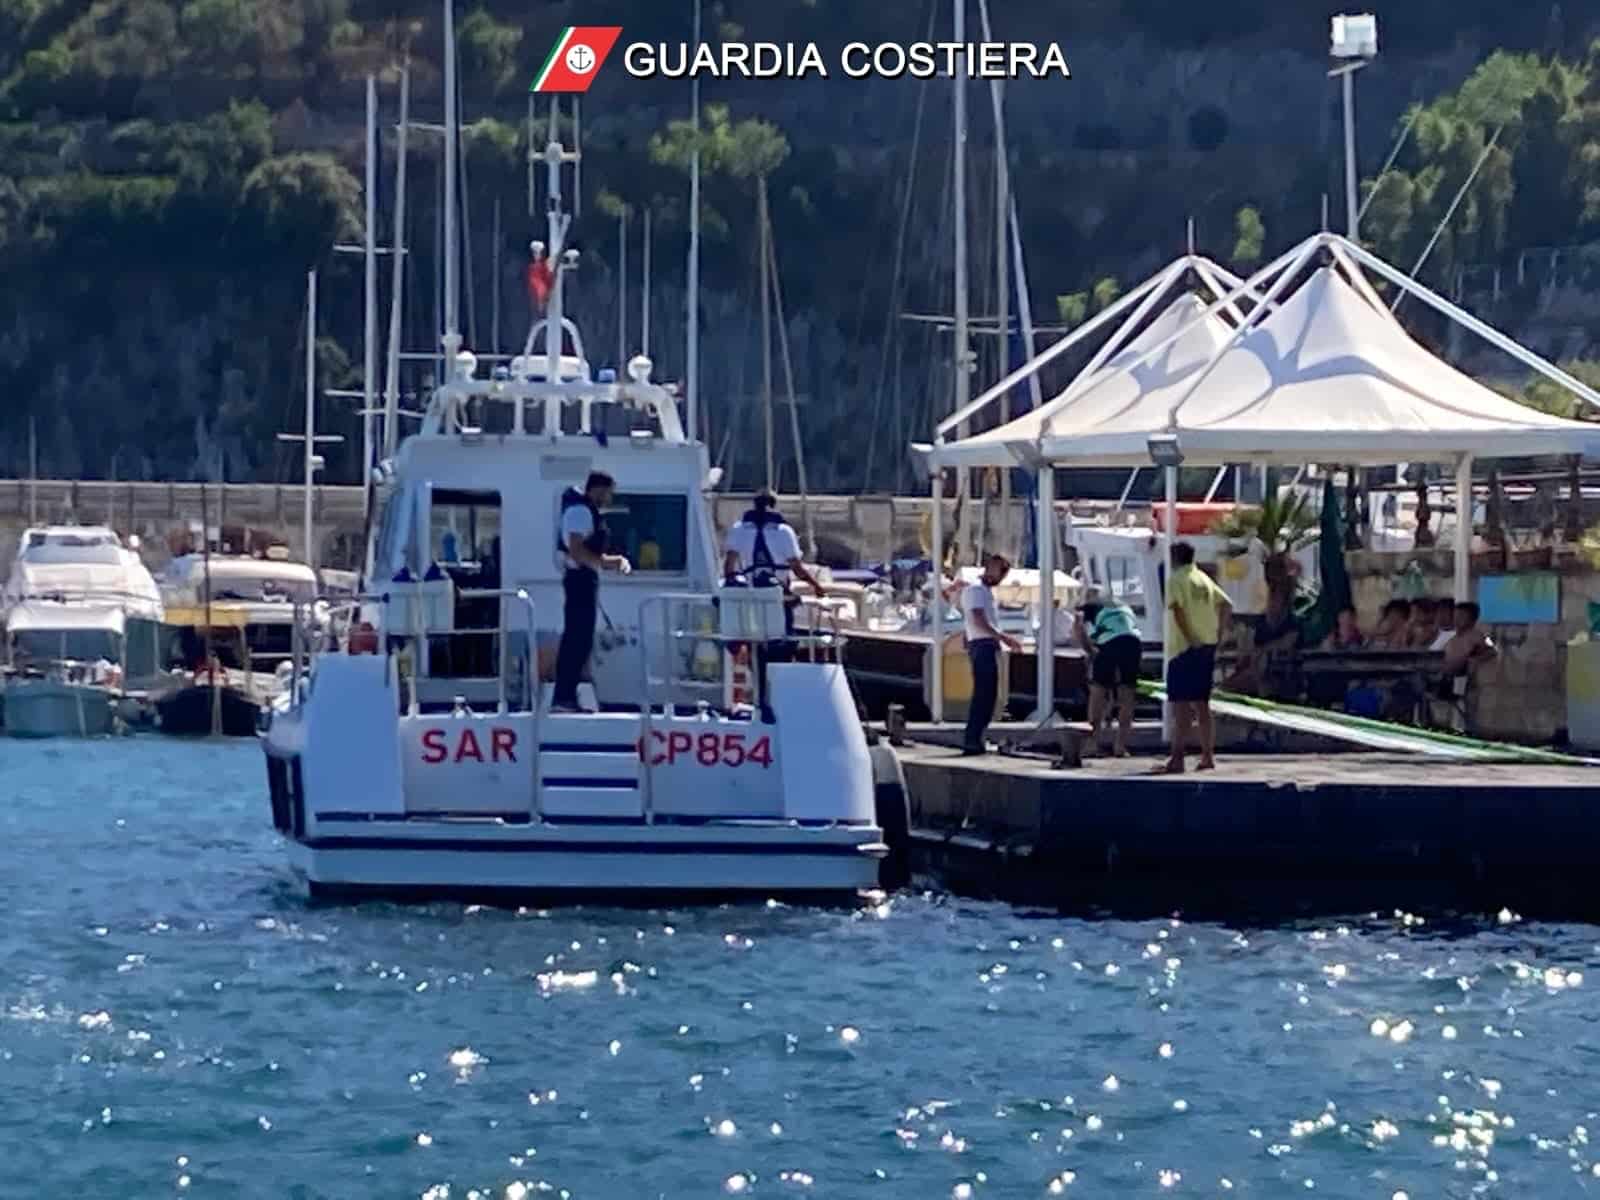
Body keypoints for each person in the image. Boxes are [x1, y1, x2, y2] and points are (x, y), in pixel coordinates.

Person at [552, 471, 631, 713]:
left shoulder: (586, 512)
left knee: (583, 639)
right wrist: (605, 563)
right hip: (579, 580)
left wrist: (612, 561)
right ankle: (562, 698)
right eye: (608, 493)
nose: (609, 498)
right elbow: (576, 551)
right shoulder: (580, 512)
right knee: (576, 638)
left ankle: (569, 696)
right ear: (597, 489)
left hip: (584, 579)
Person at [1164, 541, 1231, 774]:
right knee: (1202, 704)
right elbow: (1226, 604)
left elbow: (1177, 610)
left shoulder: (1176, 579)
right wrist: (1219, 634)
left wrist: (1190, 637)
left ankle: (1177, 758)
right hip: (1207, 645)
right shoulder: (1203, 578)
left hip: (1184, 648)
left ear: (1175, 557)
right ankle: (1207, 756)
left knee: (1181, 705)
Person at [960, 553, 1023, 756]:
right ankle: (973, 739)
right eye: (1000, 571)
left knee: (987, 695)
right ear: (989, 568)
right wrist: (1005, 638)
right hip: (983, 645)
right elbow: (978, 619)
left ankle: (976, 738)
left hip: (983, 644)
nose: (1002, 576)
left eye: (1005, 572)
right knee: (984, 695)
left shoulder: (983, 592)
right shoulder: (977, 590)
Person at [1076, 592, 1142, 757]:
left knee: (1097, 692)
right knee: (1127, 695)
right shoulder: (1121, 605)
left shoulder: (1090, 606)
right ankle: (1120, 746)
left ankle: (1092, 744)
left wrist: (1089, 651)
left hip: (1110, 642)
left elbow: (1078, 628)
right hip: (1134, 642)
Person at [1440, 601, 1497, 675]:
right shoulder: (1451, 636)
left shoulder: (1478, 635)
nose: (1456, 619)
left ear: (1472, 619)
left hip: (1461, 675)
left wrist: (1476, 659)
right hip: (1445, 672)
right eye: (1455, 615)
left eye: (1461, 616)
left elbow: (1494, 649)